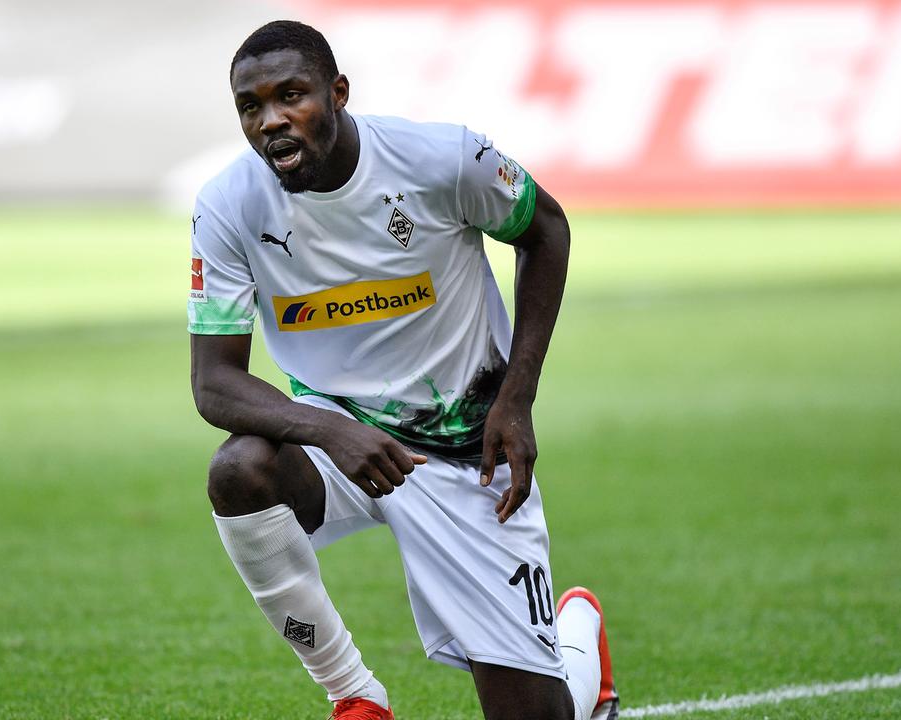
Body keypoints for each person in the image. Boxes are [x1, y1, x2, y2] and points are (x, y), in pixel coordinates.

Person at [188, 19, 619, 720]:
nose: (271, 121)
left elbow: (546, 230)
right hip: (339, 442)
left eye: (291, 95)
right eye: (250, 106)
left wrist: (516, 398)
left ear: (338, 92)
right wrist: (330, 430)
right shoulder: (228, 205)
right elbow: (214, 382)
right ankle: (355, 695)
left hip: (465, 452)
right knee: (239, 470)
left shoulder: (443, 159)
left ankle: (576, 639)